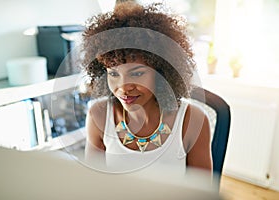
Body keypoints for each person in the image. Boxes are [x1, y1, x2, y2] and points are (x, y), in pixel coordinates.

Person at [81, 1, 212, 174]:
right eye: (114, 74)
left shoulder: (193, 120)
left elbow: (201, 194)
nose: (123, 87)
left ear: (161, 72)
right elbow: (91, 183)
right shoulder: (98, 115)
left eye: (136, 74)